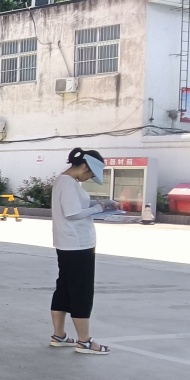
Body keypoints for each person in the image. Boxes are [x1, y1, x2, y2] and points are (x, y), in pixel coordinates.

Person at [49, 147, 116, 355]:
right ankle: (85, 341)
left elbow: (73, 208)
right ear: (85, 166)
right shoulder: (69, 183)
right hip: (78, 245)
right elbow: (72, 213)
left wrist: (99, 205)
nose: (89, 178)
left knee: (64, 288)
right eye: (90, 174)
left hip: (66, 243)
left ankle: (59, 335)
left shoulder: (63, 181)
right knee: (81, 292)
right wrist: (98, 209)